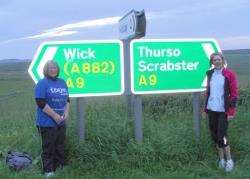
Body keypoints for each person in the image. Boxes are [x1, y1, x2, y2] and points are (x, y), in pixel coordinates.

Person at [204, 52, 238, 172]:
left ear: (222, 60)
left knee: (222, 136)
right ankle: (221, 159)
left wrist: (231, 112)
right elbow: (208, 92)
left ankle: (229, 160)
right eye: (214, 60)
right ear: (212, 62)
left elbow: (234, 94)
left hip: (223, 111)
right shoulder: (210, 74)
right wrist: (205, 109)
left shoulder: (229, 74)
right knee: (214, 136)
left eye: (219, 59)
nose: (217, 62)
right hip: (212, 109)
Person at [35, 60, 70, 177]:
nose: (53, 69)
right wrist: (55, 116)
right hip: (47, 122)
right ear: (46, 69)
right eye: (50, 67)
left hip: (61, 121)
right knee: (48, 147)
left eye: (54, 67)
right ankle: (48, 170)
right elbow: (40, 102)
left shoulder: (62, 82)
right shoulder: (42, 83)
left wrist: (66, 113)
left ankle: (61, 166)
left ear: (58, 69)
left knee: (60, 145)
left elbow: (67, 99)